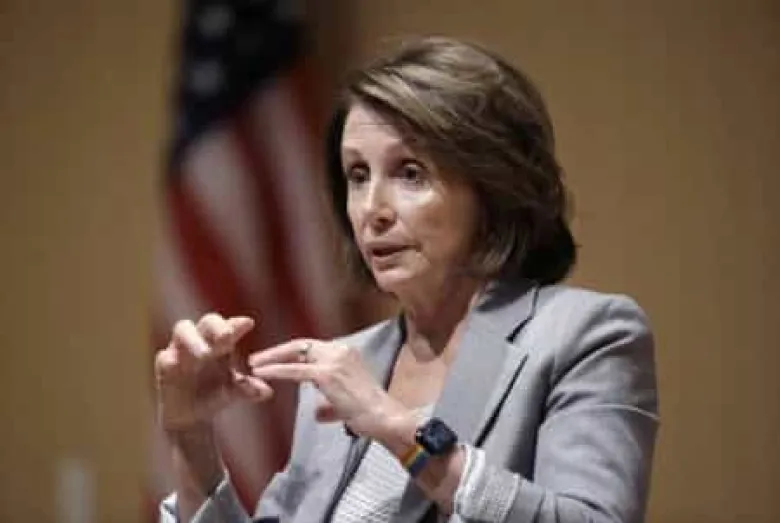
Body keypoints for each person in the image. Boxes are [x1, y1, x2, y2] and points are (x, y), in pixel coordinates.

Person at [157, 36, 658, 523]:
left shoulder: (584, 336)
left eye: (410, 173)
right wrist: (191, 434)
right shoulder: (344, 366)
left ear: (493, 188)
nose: (372, 209)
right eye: (358, 175)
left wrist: (399, 431)